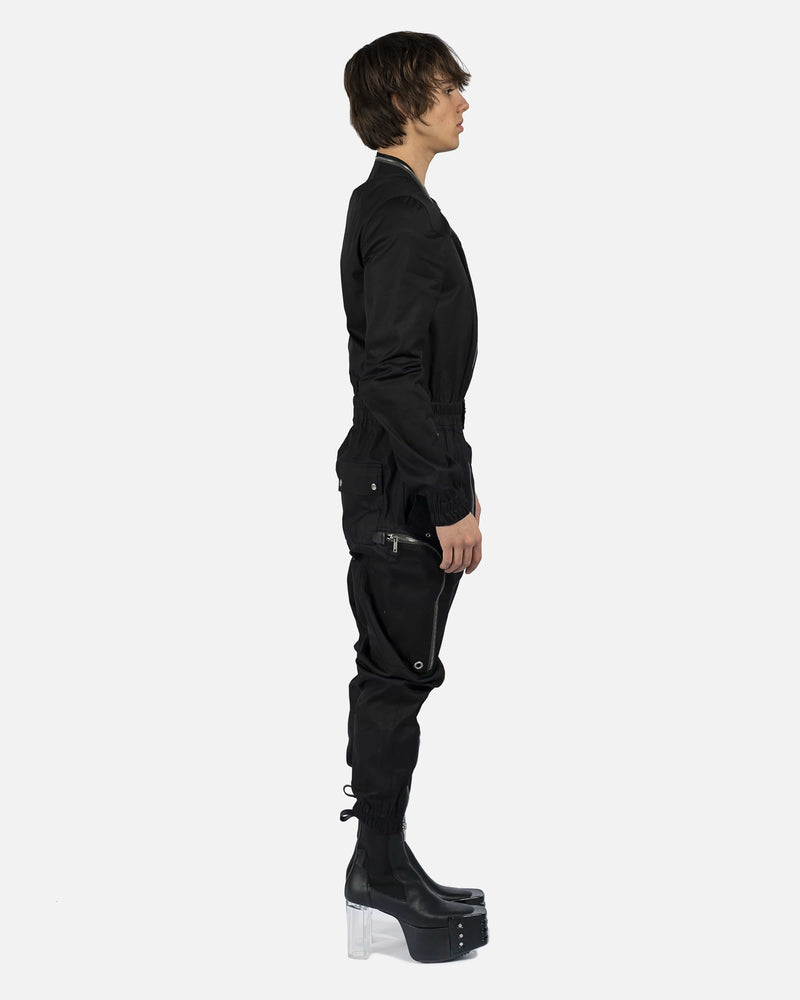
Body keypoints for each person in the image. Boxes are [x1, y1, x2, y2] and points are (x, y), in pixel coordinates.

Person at [335, 31, 489, 963]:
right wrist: (445, 496)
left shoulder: (393, 204)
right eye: (447, 87)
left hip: (402, 474)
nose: (463, 102)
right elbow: (392, 375)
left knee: (400, 674)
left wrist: (449, 479)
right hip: (400, 484)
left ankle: (388, 864)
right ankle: (379, 878)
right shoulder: (398, 216)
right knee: (396, 679)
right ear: (404, 103)